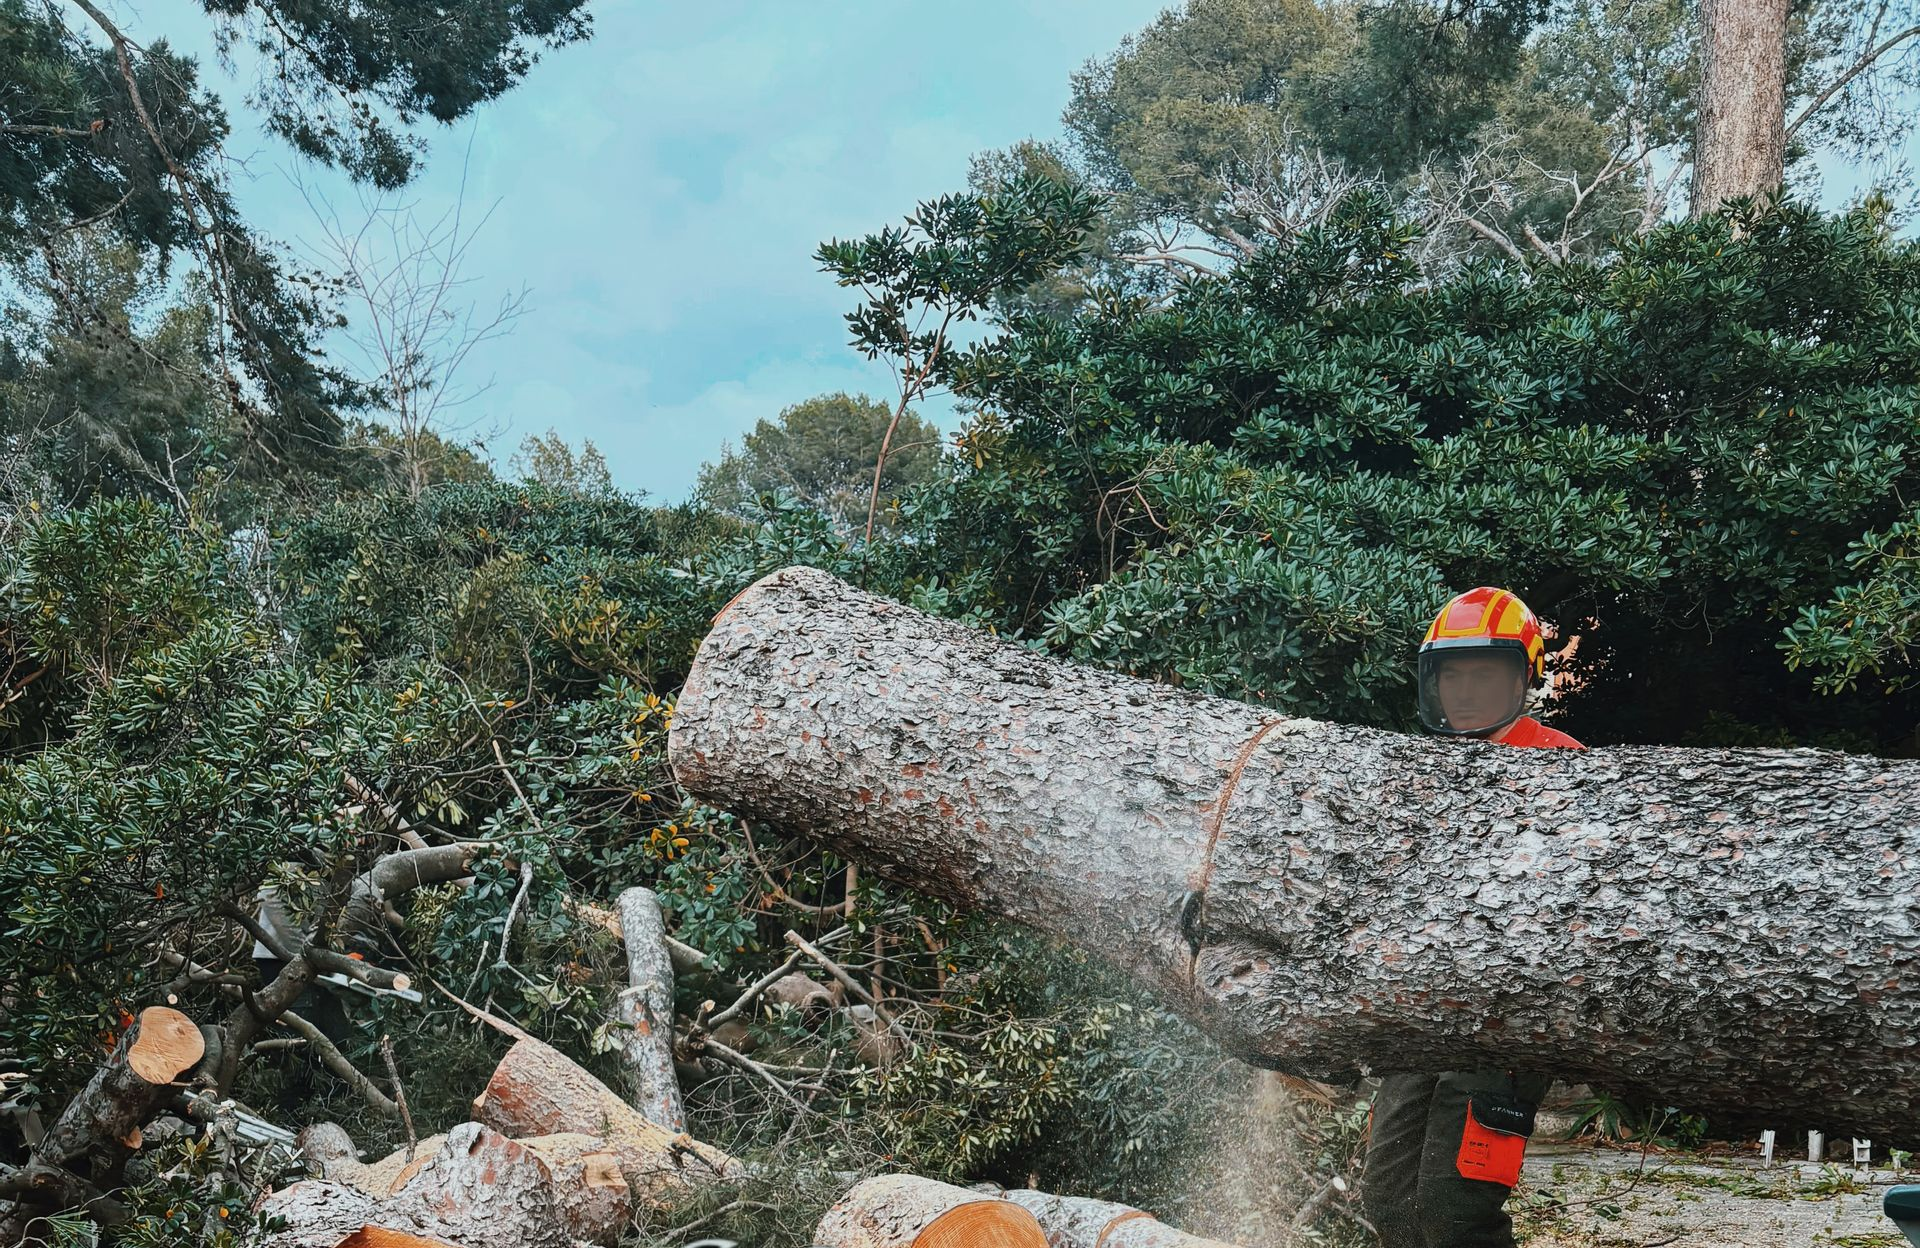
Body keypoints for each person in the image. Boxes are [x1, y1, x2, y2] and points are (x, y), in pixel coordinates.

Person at [1360, 586, 1583, 1248]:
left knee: (1457, 1209)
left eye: (1482, 674)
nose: (1464, 690)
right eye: (1452, 675)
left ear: (1523, 677)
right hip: (1422, 1014)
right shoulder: (1420, 773)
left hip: (1506, 1024)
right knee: (1389, 1198)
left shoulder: (1562, 766)